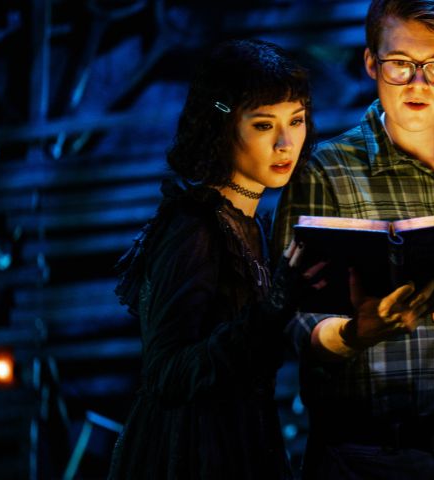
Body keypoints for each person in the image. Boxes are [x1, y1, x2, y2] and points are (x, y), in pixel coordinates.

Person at [273, 1, 434, 478]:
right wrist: (355, 334)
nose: (418, 83)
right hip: (369, 456)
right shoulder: (323, 169)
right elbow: (287, 314)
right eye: (400, 64)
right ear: (371, 63)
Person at [108, 39, 319, 479]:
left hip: (244, 440)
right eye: (264, 125)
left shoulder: (253, 226)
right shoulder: (196, 225)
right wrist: (273, 308)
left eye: (296, 121)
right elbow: (167, 374)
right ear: (222, 125)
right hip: (189, 452)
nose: (285, 143)